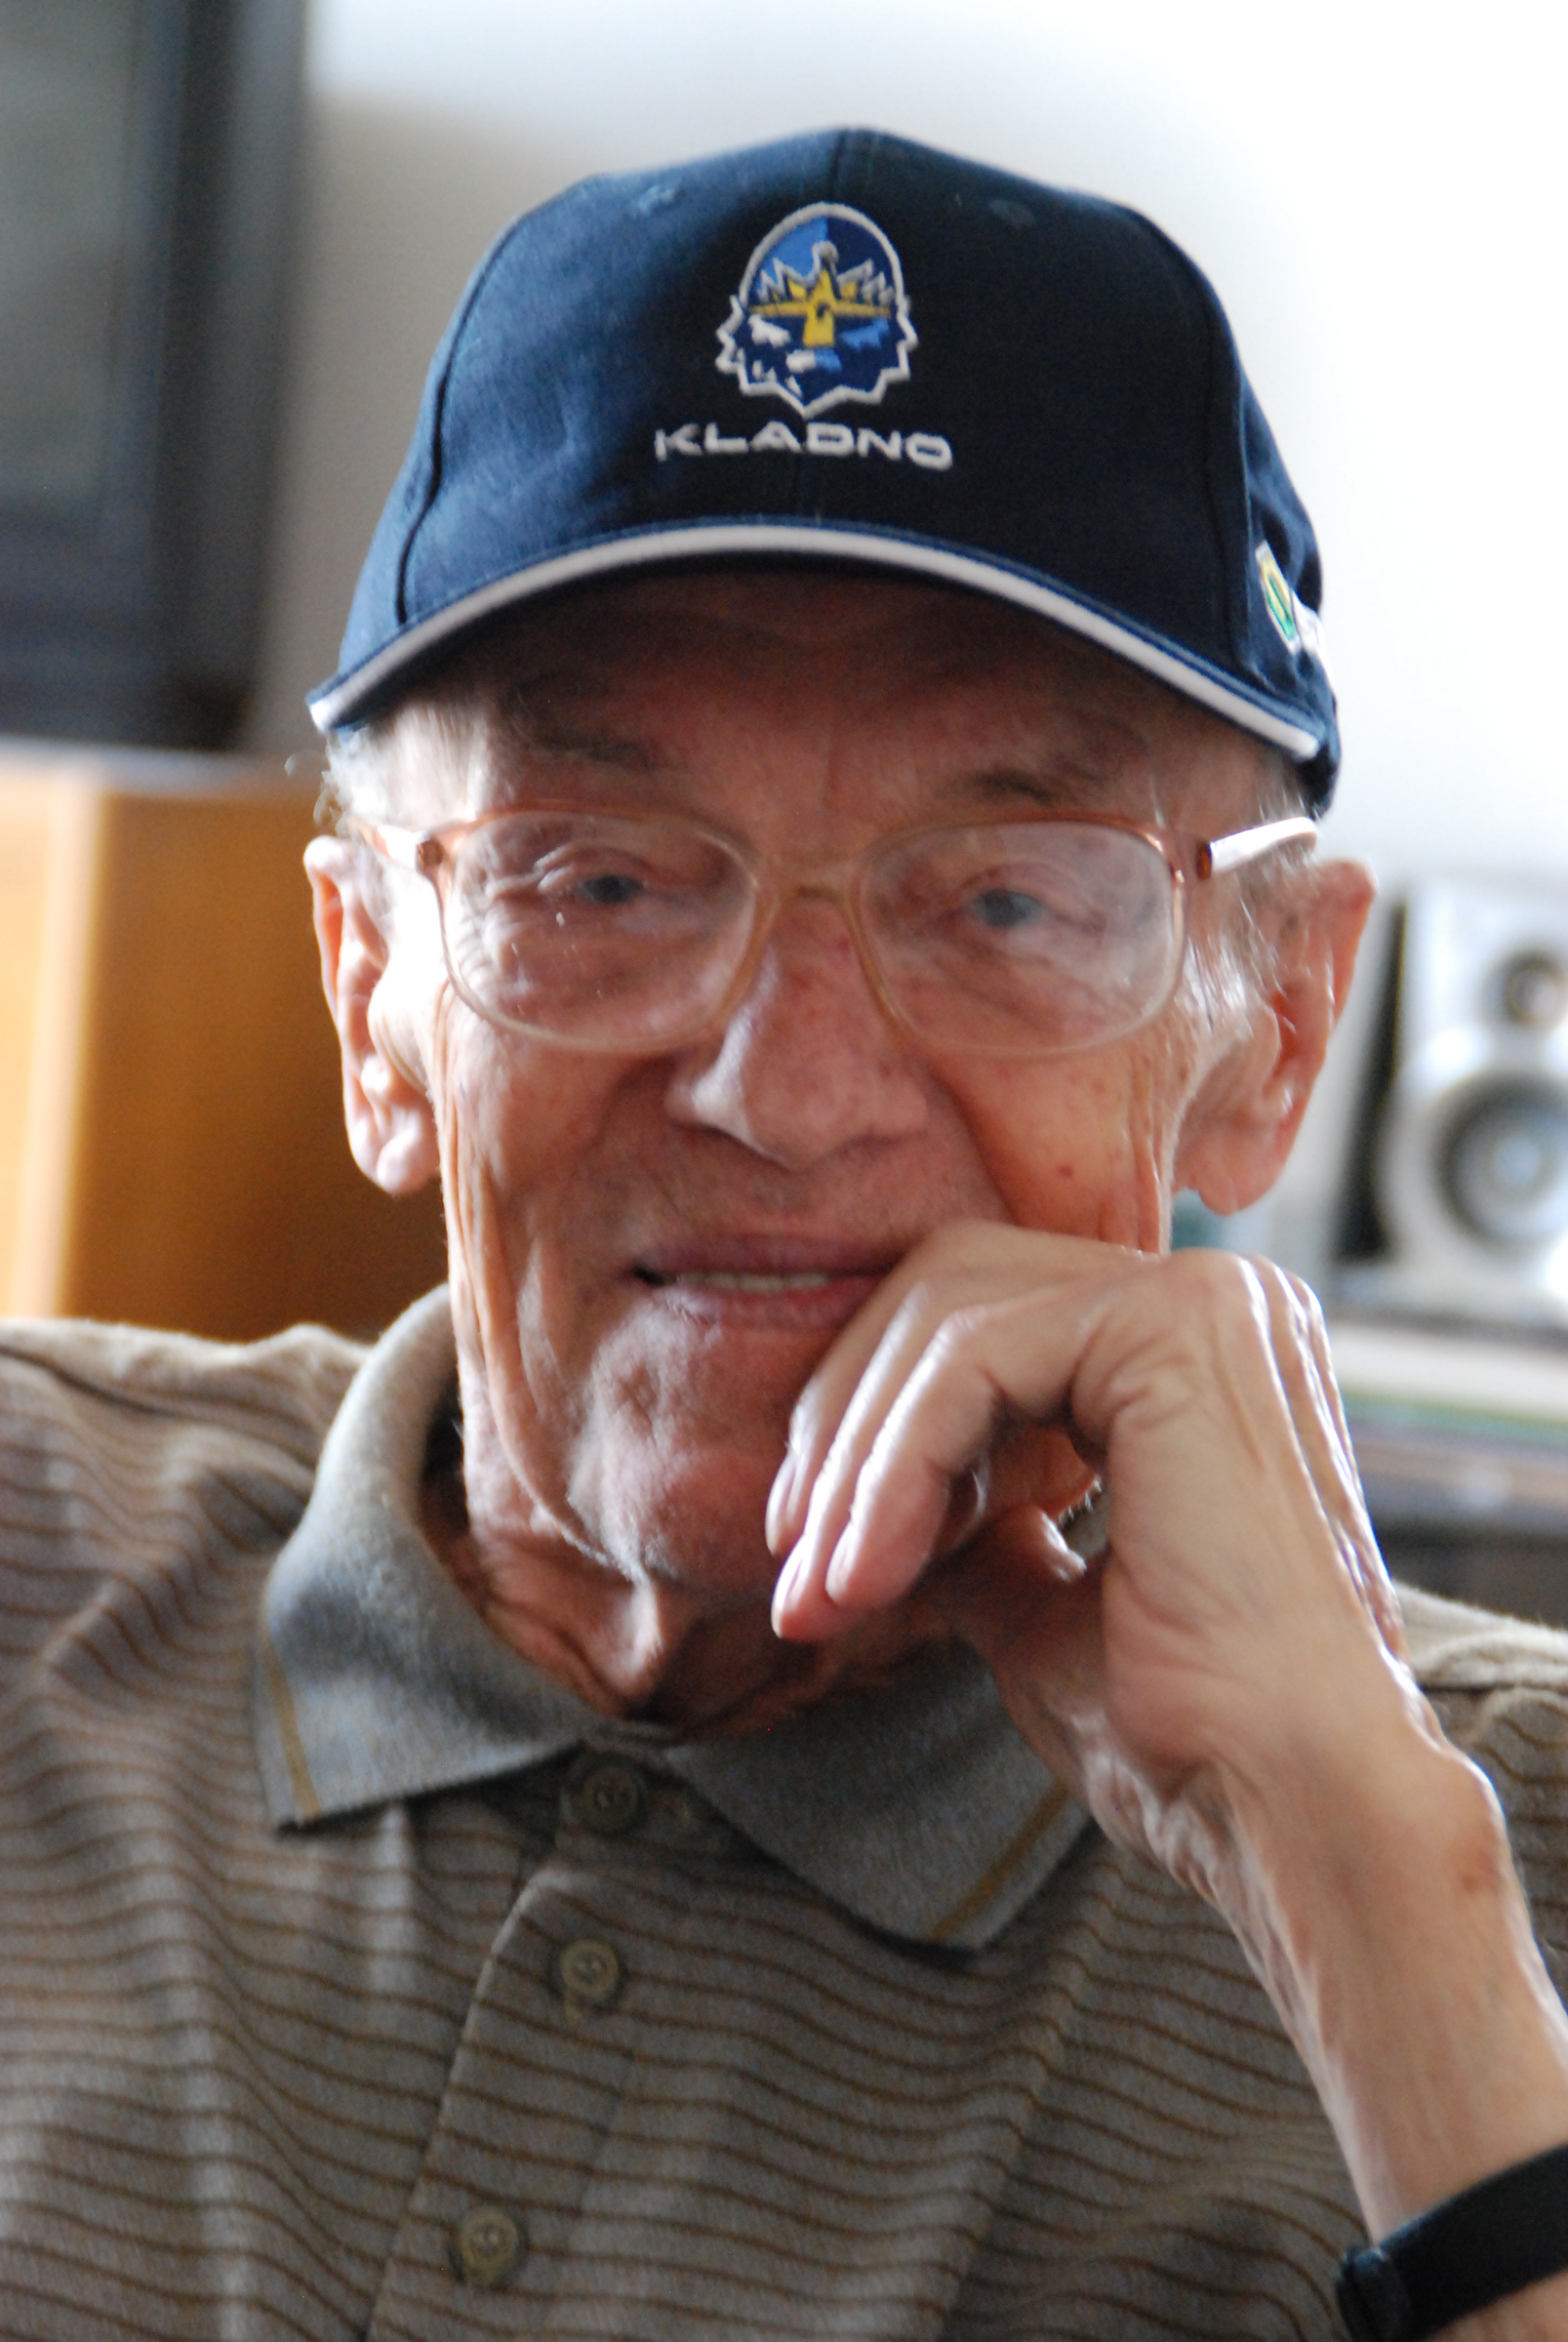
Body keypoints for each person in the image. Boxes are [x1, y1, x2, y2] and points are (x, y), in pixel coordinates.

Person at [2, 128, 1566, 2342]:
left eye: (1008, 900)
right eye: (602, 880)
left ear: (1278, 1028)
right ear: (372, 1002)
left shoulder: (1507, 1873)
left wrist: (1383, 1912)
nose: (790, 1084)